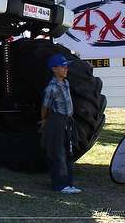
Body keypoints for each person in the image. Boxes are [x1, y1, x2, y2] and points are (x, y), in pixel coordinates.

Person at [39, 54, 81, 194]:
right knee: (59, 153)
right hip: (57, 122)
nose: (66, 69)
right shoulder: (51, 88)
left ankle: (69, 183)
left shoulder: (66, 83)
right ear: (54, 69)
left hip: (66, 122)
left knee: (68, 152)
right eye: (63, 66)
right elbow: (46, 106)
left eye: (66, 66)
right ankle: (60, 184)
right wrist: (45, 120)